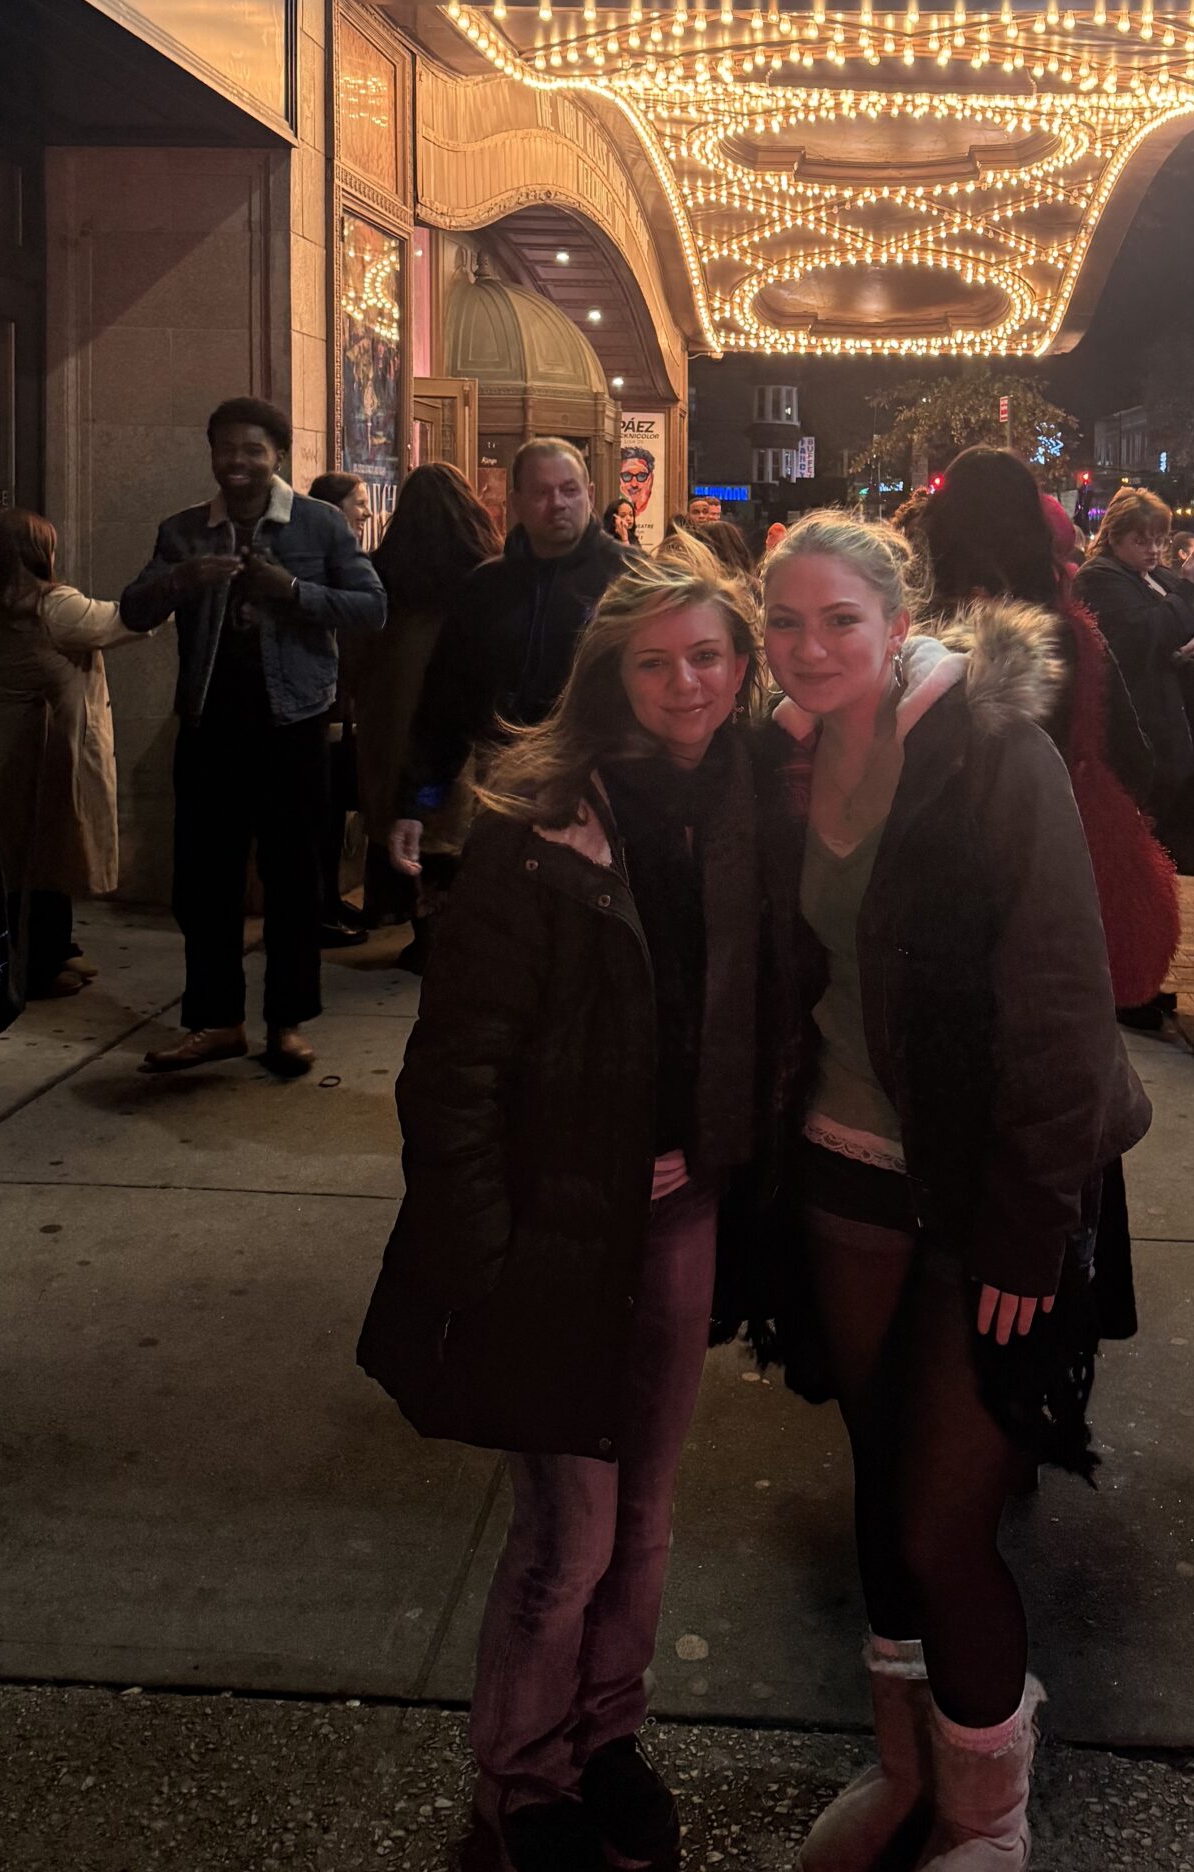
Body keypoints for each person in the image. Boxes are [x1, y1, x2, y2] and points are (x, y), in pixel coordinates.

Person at [756, 512, 1150, 1870]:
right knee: (880, 1486)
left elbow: (1061, 999)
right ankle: (906, 1771)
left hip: (988, 1188)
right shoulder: (779, 756)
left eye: (839, 621)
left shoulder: (991, 751)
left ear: (898, 621)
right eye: (785, 623)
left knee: (943, 1520)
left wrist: (1033, 1230)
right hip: (842, 1172)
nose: (811, 647)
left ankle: (989, 1811)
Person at [359, 555, 763, 1872]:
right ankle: (524, 1779)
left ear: (742, 668)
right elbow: (456, 1066)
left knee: (644, 1520)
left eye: (708, 655)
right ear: (609, 675)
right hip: (555, 1228)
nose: (685, 682)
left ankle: (606, 1740)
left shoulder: (752, 808)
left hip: (681, 1219)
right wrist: (479, 1243)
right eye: (655, 660)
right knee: (568, 1536)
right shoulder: (541, 831)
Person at [120, 396, 386, 1077]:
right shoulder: (184, 531)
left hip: (292, 727)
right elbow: (133, 608)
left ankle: (286, 1024)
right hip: (209, 728)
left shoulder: (320, 524)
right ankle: (218, 1023)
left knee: (294, 882)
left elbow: (371, 606)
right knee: (202, 882)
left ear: (278, 456)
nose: (237, 462)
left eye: (252, 450)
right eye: (226, 449)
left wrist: (292, 590)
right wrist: (183, 580)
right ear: (211, 453)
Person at [924, 450, 1177, 1024]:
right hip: (1047, 858)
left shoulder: (906, 627)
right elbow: (1133, 755)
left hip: (926, 872)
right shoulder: (1065, 634)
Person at [390, 439, 632, 882]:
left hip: (610, 792)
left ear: (591, 494)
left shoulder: (632, 579)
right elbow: (444, 706)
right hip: (505, 793)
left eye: (569, 490)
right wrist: (416, 806)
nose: (557, 503)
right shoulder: (485, 588)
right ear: (515, 501)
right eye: (541, 492)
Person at [0, 510, 150, 999]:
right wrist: (170, 586)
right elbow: (121, 622)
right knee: (53, 850)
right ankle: (41, 962)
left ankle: (56, 947)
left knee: (22, 853)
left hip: (1, 742)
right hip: (52, 745)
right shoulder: (54, 606)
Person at [343, 462, 500, 968]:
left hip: (391, 714)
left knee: (402, 825)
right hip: (457, 716)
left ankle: (423, 929)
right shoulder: (483, 573)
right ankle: (455, 934)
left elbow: (355, 651)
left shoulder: (383, 572)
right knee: (454, 820)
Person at [1077, 486, 1194, 887]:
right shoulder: (1099, 578)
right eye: (1141, 540)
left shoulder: (1159, 576)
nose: (1153, 550)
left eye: (1159, 540)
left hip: (1187, 730)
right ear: (1114, 536)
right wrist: (1188, 590)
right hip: (1148, 731)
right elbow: (1142, 638)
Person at [309, 472, 375, 945]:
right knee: (318, 818)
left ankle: (328, 900)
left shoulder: (345, 561)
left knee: (332, 818)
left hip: (338, 711)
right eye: (359, 502)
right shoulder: (319, 564)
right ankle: (316, 909)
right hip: (319, 712)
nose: (367, 512)